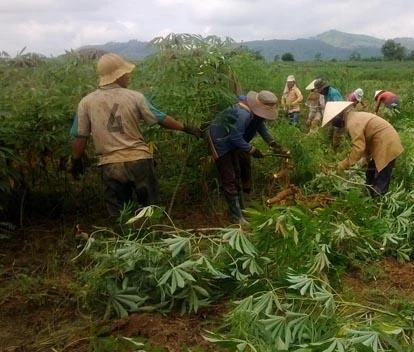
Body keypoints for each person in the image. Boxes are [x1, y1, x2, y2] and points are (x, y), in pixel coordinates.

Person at [71, 53, 201, 217]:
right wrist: (186, 128)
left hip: (110, 164)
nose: (128, 76)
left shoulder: (86, 102)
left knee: (120, 214)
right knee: (149, 210)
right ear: (118, 76)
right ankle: (151, 238)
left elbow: (80, 137)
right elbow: (161, 119)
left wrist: (76, 160)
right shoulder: (135, 97)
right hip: (139, 161)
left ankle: (125, 239)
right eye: (125, 73)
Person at [203, 90, 287, 225]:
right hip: (220, 142)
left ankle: (242, 209)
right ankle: (237, 217)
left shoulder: (254, 113)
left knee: (236, 174)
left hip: (233, 143)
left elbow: (261, 127)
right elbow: (235, 137)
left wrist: (273, 143)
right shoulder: (243, 113)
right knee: (229, 177)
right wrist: (252, 150)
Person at [321, 101, 403, 197]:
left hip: (387, 143)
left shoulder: (353, 123)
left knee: (381, 177)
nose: (333, 124)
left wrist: (344, 164)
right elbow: (365, 140)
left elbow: (358, 148)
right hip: (383, 142)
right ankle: (370, 196)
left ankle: (378, 203)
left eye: (332, 121)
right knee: (370, 173)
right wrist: (366, 158)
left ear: (339, 116)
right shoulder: (353, 118)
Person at [313, 79, 345, 148]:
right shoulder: (325, 94)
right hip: (333, 118)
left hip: (339, 118)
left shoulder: (333, 93)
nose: (320, 93)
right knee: (329, 135)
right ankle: (330, 149)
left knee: (336, 138)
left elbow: (339, 108)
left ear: (324, 88)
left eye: (320, 91)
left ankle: (336, 154)